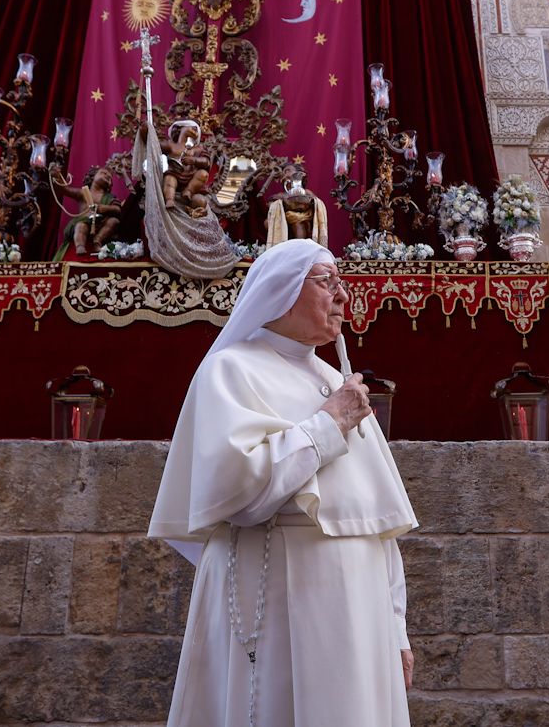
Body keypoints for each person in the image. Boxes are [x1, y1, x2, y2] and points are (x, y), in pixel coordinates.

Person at [149, 239, 418, 727]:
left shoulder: (337, 380)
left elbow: (379, 526)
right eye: (326, 282)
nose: (342, 296)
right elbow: (243, 497)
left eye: (342, 283)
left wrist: (396, 628)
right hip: (278, 595)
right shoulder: (231, 369)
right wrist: (328, 424)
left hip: (362, 610)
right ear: (281, 291)